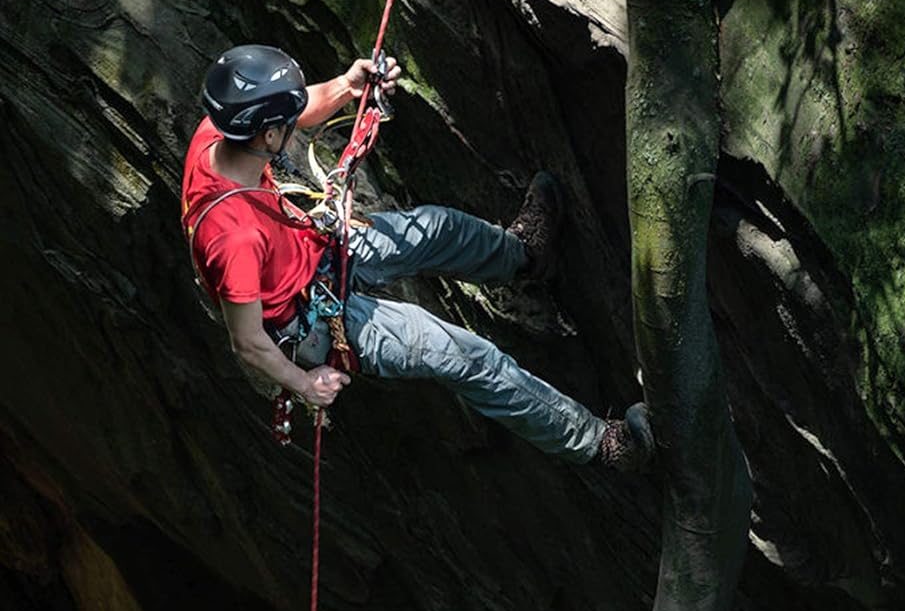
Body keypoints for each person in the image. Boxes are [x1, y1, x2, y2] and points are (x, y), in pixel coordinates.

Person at [181, 44, 653, 470]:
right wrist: (306, 385)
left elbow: (299, 110)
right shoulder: (234, 238)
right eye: (285, 122)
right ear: (267, 137)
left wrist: (348, 85)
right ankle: (602, 445)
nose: (297, 116)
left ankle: (523, 256)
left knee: (438, 228)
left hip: (313, 251)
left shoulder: (218, 132)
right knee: (467, 357)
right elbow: (248, 341)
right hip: (311, 321)